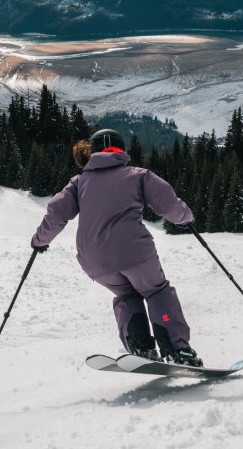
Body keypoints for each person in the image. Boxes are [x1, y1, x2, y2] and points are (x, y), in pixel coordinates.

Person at [30, 128, 203, 367]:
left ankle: (141, 348)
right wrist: (186, 217)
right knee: (156, 291)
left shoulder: (78, 183)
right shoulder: (138, 175)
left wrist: (39, 240)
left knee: (127, 295)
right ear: (122, 150)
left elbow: (56, 213)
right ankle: (177, 350)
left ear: (92, 152)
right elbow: (170, 206)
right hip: (134, 254)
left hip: (94, 261)